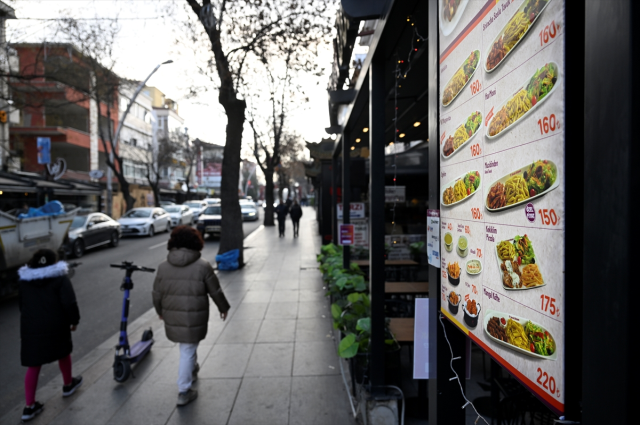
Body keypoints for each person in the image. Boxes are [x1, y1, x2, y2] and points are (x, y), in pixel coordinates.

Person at [152, 226, 230, 407]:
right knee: (187, 348)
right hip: (195, 315)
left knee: (188, 345)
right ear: (196, 243)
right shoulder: (203, 266)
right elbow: (215, 291)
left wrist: (160, 311)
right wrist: (223, 307)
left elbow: (156, 293)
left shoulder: (163, 267)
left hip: (173, 313)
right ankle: (184, 390)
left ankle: (192, 370)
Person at [18, 249, 82, 422]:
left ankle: (29, 407)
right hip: (56, 323)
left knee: (34, 364)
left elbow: (21, 305)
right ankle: (68, 385)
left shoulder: (24, 281)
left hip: (31, 326)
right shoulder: (60, 278)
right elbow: (69, 302)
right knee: (63, 352)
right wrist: (74, 320)